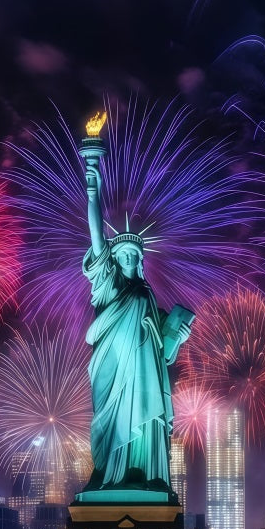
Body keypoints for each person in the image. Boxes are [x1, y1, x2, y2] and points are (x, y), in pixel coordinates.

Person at [81, 157, 193, 494]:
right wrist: (92, 192)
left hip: (145, 376)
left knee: (146, 422)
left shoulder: (147, 297)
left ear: (140, 260)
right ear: (114, 260)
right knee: (114, 422)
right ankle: (113, 475)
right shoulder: (109, 288)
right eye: (123, 254)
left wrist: (177, 336)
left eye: (134, 255)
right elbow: (97, 237)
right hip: (114, 371)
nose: (129, 258)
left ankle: (144, 473)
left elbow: (166, 353)